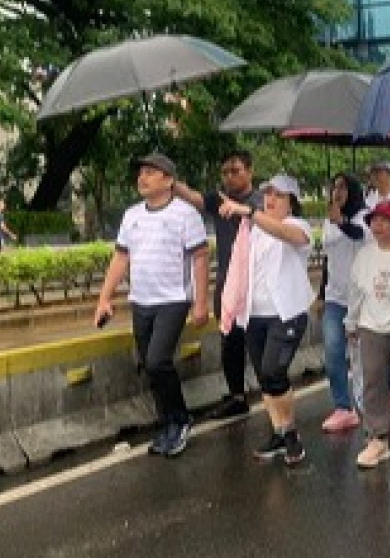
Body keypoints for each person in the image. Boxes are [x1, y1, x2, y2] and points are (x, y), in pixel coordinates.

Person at [93, 154, 209, 457]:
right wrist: (105, 298)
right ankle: (167, 422)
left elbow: (200, 258)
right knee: (149, 363)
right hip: (141, 300)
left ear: (168, 180)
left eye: (150, 172)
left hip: (173, 299)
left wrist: (201, 302)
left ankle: (180, 419)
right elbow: (121, 258)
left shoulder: (185, 214)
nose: (142, 178)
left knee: (158, 360)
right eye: (140, 173)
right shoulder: (132, 216)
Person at [219, 174, 315, 466]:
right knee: (264, 377)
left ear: (291, 202)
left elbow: (288, 235)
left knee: (274, 371)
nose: (271, 200)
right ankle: (278, 432)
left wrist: (250, 212)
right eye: (268, 194)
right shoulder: (253, 231)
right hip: (254, 314)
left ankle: (291, 433)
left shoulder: (298, 226)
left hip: (285, 313)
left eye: (279, 195)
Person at [175, 151, 259, 420]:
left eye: (235, 171)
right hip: (227, 281)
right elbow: (194, 197)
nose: (229, 177)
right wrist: (170, 182)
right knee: (230, 341)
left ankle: (274, 396)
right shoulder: (218, 199)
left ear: (250, 171)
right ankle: (237, 396)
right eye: (225, 172)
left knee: (257, 340)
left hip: (256, 281)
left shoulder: (260, 201)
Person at [347, 200, 390, 469]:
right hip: (372, 325)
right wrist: (351, 322)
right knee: (373, 381)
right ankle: (377, 439)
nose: (377, 225)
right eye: (373, 220)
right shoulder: (365, 255)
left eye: (383, 220)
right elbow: (356, 292)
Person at [319, 173, 368, 433]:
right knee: (333, 351)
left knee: (369, 355)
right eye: (334, 187)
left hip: (361, 299)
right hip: (335, 298)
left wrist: (341, 221)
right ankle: (343, 408)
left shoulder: (365, 217)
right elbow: (328, 258)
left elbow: (359, 235)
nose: (337, 192)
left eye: (343, 187)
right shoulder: (329, 221)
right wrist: (321, 295)